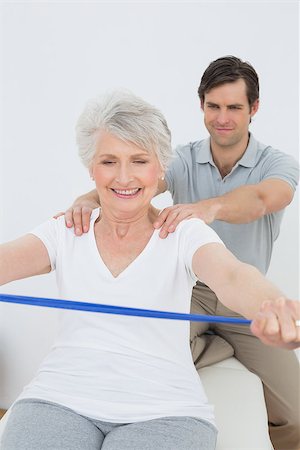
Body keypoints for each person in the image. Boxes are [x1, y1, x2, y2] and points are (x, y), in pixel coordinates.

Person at [0, 90, 299, 450]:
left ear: (160, 169)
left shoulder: (183, 232)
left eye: (139, 161)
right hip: (59, 400)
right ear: (91, 169)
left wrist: (273, 306)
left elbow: (233, 276)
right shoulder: (66, 230)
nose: (124, 177)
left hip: (165, 411)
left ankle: (220, 344)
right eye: (109, 161)